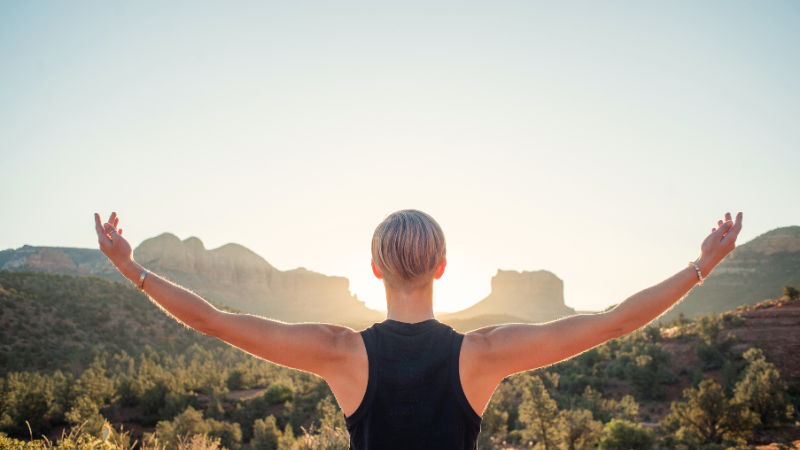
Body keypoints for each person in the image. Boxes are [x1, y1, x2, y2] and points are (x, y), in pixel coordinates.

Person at [94, 209, 743, 450]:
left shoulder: (340, 353)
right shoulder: (483, 354)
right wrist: (699, 267)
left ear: (373, 269)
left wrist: (135, 271)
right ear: (442, 268)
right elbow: (615, 322)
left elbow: (213, 320)